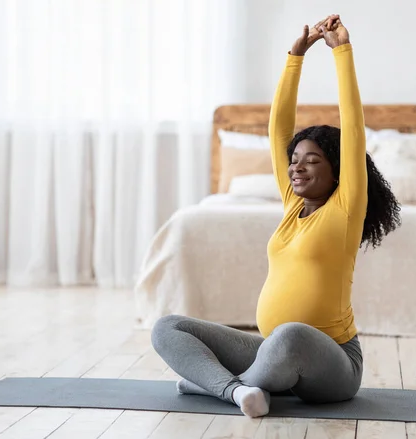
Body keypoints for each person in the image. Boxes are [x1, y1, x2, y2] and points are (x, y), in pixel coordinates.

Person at [151, 15, 401, 418]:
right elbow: (278, 130)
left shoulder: (345, 208)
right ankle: (240, 392)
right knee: (168, 327)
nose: (297, 168)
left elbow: (353, 128)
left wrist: (341, 52)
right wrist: (294, 57)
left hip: (333, 363)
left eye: (312, 161)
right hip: (271, 351)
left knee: (288, 337)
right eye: (295, 161)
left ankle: (212, 383)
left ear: (337, 170)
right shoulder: (291, 205)